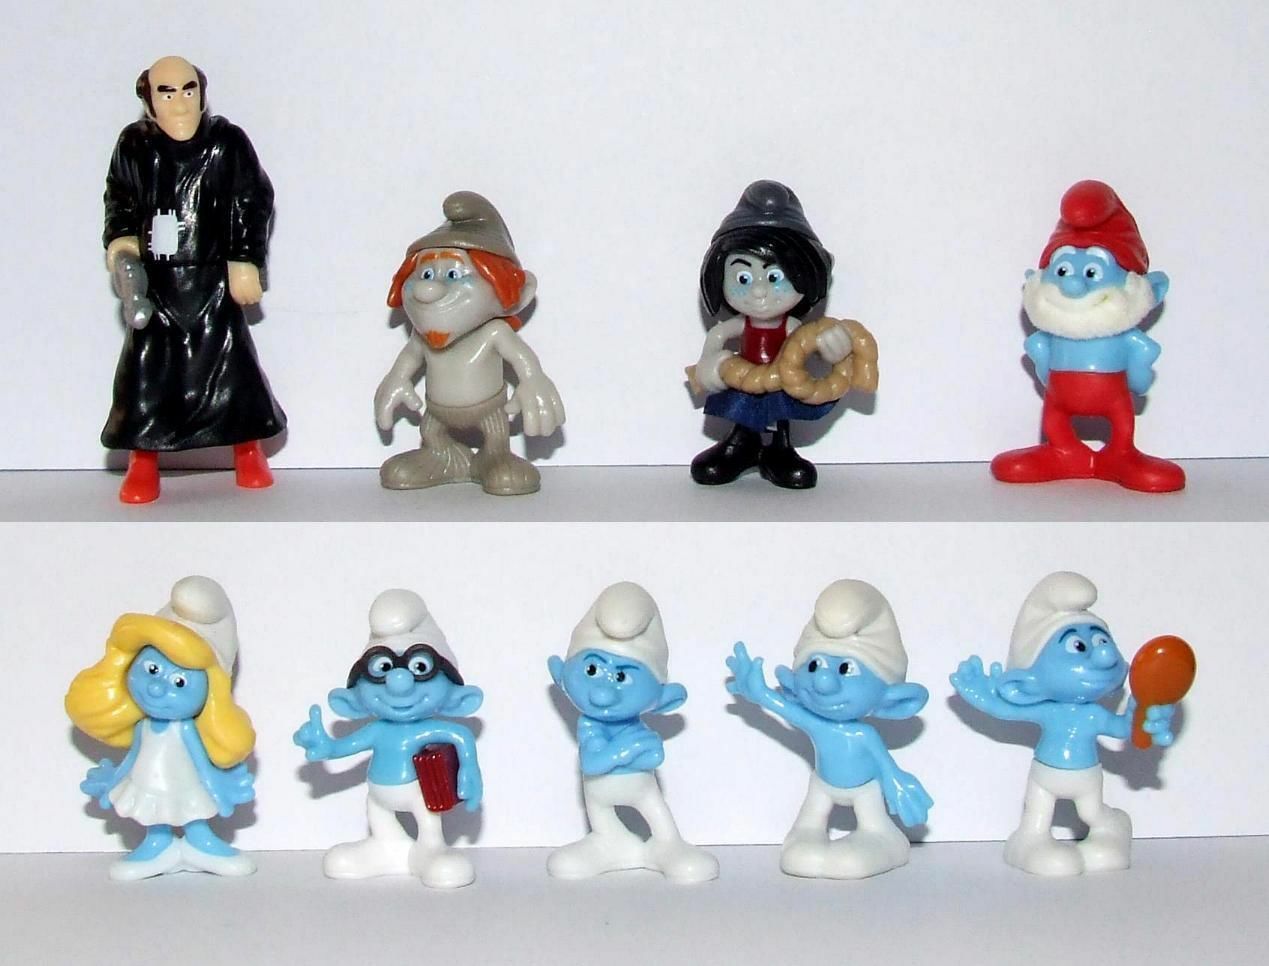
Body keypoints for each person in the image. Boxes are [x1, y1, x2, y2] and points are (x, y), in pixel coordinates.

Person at [102, 56, 286, 503]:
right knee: (147, 375)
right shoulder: (135, 146)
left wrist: (244, 258)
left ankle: (248, 450)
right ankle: (143, 459)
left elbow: (251, 198)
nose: (181, 102)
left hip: (212, 276)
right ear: (149, 100)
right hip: (158, 281)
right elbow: (119, 197)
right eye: (167, 93)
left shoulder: (226, 142)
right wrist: (122, 244)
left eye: (189, 89)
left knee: (233, 370)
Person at [949, 572, 1179, 876]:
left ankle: (1113, 825)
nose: (1104, 655)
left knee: (1092, 812)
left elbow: (1123, 729)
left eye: (1102, 640)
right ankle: (1029, 841)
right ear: (1028, 681)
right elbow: (1005, 710)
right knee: (1037, 816)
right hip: (1045, 776)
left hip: (1087, 776)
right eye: (1078, 646)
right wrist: (980, 695)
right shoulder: (1048, 710)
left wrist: (1142, 714)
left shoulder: (1093, 715)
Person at [726, 580, 932, 878]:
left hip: (864, 791)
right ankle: (808, 836)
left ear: (891, 699)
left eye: (846, 668)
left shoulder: (863, 735)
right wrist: (759, 693)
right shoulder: (816, 723)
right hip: (822, 786)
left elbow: (886, 766)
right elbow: (783, 708)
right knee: (800, 850)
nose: (824, 682)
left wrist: (898, 786)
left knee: (867, 839)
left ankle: (884, 838)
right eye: (814, 666)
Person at [992, 180, 1182, 492]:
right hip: (1059, 398)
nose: (1074, 286)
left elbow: (1140, 370)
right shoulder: (1048, 338)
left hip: (1114, 397)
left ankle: (1122, 453)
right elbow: (1043, 365)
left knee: (1121, 419)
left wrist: (1139, 376)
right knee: (1055, 418)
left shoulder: (1129, 340)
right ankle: (1062, 450)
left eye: (1093, 272)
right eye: (1062, 271)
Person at [65, 576, 256, 880]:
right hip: (147, 783)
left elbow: (203, 764)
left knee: (194, 814)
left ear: (210, 690)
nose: (156, 688)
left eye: (179, 682)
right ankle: (157, 843)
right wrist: (114, 780)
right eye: (152, 669)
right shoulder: (141, 727)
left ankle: (201, 841)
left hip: (187, 786)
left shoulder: (189, 730)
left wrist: (219, 788)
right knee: (153, 815)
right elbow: (133, 757)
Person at [375, 192, 565, 496]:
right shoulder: (421, 339)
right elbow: (408, 360)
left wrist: (533, 382)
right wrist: (394, 381)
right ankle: (441, 456)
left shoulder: (494, 334)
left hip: (488, 410)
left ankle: (495, 457)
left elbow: (523, 361)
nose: (427, 289)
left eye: (454, 273)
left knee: (498, 446)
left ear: (512, 291)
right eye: (425, 273)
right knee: (430, 434)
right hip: (437, 412)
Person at [294, 589, 484, 889]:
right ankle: (386, 844)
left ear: (456, 696)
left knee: (428, 823)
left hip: (417, 793)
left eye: (420, 668)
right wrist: (325, 747)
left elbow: (460, 735)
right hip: (378, 794)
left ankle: (431, 848)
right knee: (378, 814)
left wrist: (469, 770)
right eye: (382, 668)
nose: (399, 682)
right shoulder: (377, 730)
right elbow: (345, 746)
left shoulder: (423, 730)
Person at [547, 582, 718, 882]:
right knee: (597, 828)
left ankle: (667, 844)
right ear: (561, 675)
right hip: (600, 795)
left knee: (659, 819)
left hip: (643, 791)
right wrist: (628, 749)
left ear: (661, 699)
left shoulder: (636, 727)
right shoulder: (590, 725)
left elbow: (654, 755)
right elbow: (592, 763)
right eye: (591, 670)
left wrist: (632, 750)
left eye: (622, 676)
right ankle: (608, 840)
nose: (603, 694)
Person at [690, 180, 854, 489]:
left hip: (782, 382)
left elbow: (812, 343)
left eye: (774, 276)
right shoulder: (737, 326)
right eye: (743, 277)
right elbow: (717, 337)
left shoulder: (792, 329)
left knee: (778, 417)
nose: (759, 291)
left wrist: (833, 349)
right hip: (743, 381)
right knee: (743, 415)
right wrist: (710, 364)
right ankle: (741, 445)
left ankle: (779, 451)